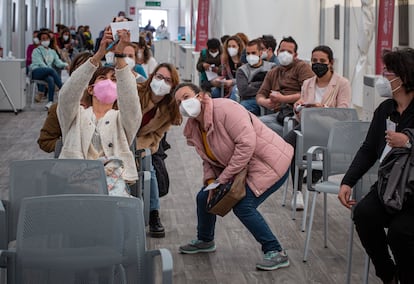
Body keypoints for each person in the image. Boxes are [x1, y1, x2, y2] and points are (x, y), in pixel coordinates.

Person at [173, 82, 293, 271]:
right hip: (243, 169)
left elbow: (246, 145)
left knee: (244, 206)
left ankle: (276, 251)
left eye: (186, 97)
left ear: (201, 95)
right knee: (204, 196)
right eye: (179, 102)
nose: (183, 104)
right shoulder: (194, 127)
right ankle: (205, 240)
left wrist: (224, 178)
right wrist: (212, 182)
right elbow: (208, 160)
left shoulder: (226, 109)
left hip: (270, 163)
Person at [338, 48, 414, 284]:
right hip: (390, 184)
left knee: (400, 233)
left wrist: (409, 141)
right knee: (363, 214)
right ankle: (388, 274)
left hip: (412, 189)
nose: (383, 77)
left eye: (387, 72)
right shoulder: (385, 109)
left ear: (402, 78)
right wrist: (348, 181)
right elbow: (369, 148)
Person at [57, 27, 142, 189]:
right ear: (90, 88)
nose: (109, 82)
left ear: (119, 90)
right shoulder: (76, 116)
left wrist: (119, 55)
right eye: (103, 78)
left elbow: (131, 101)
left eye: (114, 80)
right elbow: (67, 95)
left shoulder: (122, 120)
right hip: (74, 183)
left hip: (113, 186)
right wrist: (98, 55)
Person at [284, 45, 351, 209]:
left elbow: (344, 113)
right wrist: (298, 107)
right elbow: (300, 115)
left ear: (331, 62)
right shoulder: (307, 83)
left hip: (331, 131)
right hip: (308, 127)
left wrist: (321, 109)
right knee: (293, 143)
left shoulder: (342, 83)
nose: (317, 64)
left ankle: (311, 177)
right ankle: (298, 191)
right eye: (314, 61)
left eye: (322, 61)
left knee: (292, 142)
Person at [136, 63, 182, 237]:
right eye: (159, 77)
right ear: (152, 76)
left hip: (145, 143)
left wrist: (144, 147)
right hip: (118, 136)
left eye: (168, 80)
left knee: (150, 169)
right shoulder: (137, 91)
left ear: (172, 86)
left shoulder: (169, 110)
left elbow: (157, 135)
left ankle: (153, 213)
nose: (162, 82)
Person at [37, 52, 96, 154]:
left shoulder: (106, 107)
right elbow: (45, 141)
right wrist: (69, 147)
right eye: (79, 68)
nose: (85, 73)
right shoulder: (58, 109)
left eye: (90, 68)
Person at [257, 36, 314, 136]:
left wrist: (283, 98)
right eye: (282, 50)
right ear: (277, 52)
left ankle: (285, 141)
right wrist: (265, 102)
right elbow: (260, 94)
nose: (285, 54)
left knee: (263, 126)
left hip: (296, 115)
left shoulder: (302, 67)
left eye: (289, 52)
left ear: (295, 55)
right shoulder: (273, 72)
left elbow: (309, 94)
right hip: (279, 114)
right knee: (257, 123)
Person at [236, 39, 276, 115]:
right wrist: (264, 84)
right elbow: (244, 91)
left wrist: (252, 84)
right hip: (250, 100)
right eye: (248, 53)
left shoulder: (272, 66)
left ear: (260, 53)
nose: (250, 56)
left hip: (268, 98)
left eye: (253, 53)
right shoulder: (241, 70)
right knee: (242, 108)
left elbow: (275, 86)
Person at [30, 31, 69, 110]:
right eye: (43, 39)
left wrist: (66, 65)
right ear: (40, 41)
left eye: (47, 38)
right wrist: (48, 69)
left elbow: (58, 62)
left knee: (50, 79)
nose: (45, 40)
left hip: (48, 72)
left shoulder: (52, 52)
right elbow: (39, 63)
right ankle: (64, 90)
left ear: (50, 40)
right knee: (51, 71)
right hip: (36, 71)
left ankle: (50, 102)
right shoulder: (36, 51)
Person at [211, 35, 244, 100]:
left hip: (240, 85)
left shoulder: (244, 60)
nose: (231, 48)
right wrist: (217, 80)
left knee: (234, 92)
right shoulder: (225, 59)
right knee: (215, 93)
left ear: (239, 47)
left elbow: (245, 79)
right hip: (227, 85)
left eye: (234, 46)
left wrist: (231, 82)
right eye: (229, 46)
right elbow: (224, 75)